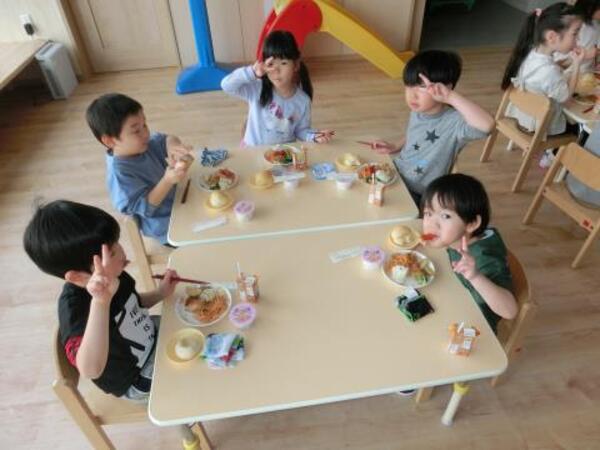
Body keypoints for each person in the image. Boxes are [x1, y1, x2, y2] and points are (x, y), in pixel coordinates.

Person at [23, 200, 179, 401]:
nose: (121, 253)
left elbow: (131, 304)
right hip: (137, 376)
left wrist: (160, 293)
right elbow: (90, 369)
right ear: (77, 276)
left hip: (152, 335)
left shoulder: (111, 273)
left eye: (116, 243)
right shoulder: (75, 310)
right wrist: (100, 303)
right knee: (193, 381)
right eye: (112, 253)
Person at [369, 50, 494, 206]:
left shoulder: (455, 123)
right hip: (396, 175)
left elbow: (487, 125)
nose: (412, 95)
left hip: (418, 192)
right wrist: (396, 146)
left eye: (422, 87)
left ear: (445, 88)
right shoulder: (419, 109)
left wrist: (450, 97)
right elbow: (416, 134)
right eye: (409, 86)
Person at [86, 93, 193, 245]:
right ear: (110, 141)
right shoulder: (120, 174)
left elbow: (166, 139)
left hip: (181, 202)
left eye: (145, 125)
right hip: (167, 226)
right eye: (136, 130)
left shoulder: (143, 145)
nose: (145, 133)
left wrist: (173, 146)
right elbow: (146, 208)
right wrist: (167, 181)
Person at [421, 174, 518, 333]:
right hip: (453, 297)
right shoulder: (458, 237)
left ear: (472, 224)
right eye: (428, 213)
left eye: (445, 216)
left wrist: (475, 276)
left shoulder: (486, 259)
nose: (431, 224)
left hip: (471, 327)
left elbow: (510, 311)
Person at [502, 3, 584, 167]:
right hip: (539, 127)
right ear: (552, 37)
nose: (578, 39)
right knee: (580, 129)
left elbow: (547, 70)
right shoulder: (550, 73)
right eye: (575, 34)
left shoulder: (530, 52)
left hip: (522, 116)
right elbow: (567, 99)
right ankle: (550, 157)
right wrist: (577, 65)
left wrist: (568, 61)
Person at [221, 30, 333, 147]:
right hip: (253, 150)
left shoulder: (303, 101)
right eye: (271, 64)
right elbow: (226, 85)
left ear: (296, 65)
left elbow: (301, 130)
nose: (276, 70)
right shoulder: (257, 88)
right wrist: (252, 72)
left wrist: (314, 136)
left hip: (283, 154)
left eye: (283, 63)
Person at [555, 0, 600, 73]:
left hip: (587, 74)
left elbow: (596, 50)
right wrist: (585, 55)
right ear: (590, 8)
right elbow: (556, 64)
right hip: (567, 75)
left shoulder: (596, 25)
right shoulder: (570, 25)